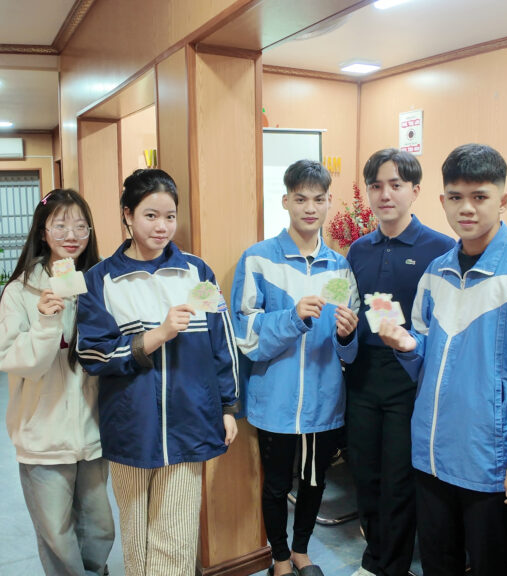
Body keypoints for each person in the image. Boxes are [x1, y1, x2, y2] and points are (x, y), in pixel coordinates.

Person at [379, 143, 507, 576]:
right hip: (431, 453)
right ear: (442, 201)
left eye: (480, 196)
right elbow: (427, 360)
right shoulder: (436, 272)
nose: (467, 208)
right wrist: (407, 347)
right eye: (456, 197)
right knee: (438, 564)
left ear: (503, 200)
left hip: (492, 461)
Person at [76, 169, 239, 576]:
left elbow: (222, 343)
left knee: (177, 539)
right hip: (132, 426)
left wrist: (227, 407)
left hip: (191, 422)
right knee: (137, 538)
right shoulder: (100, 280)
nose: (162, 226)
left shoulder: (197, 273)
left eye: (170, 216)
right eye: (150, 215)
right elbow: (93, 354)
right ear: (127, 215)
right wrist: (156, 336)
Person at [231, 159, 360, 576]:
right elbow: (245, 334)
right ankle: (281, 559)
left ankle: (302, 551)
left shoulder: (340, 266)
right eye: (301, 199)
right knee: (275, 484)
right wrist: (292, 318)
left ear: (328, 203)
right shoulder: (258, 259)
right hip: (276, 399)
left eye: (319, 199)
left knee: (314, 481)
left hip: (324, 399)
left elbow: (350, 351)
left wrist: (347, 335)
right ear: (285, 201)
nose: (310, 208)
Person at [0, 188, 115, 576]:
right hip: (43, 438)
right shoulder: (21, 291)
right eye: (60, 225)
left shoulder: (98, 285)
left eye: (81, 226)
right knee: (58, 536)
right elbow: (13, 360)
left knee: (99, 528)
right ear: (43, 232)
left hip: (92, 433)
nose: (71, 235)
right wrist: (46, 322)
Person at [345, 149, 454, 576]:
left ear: (415, 191)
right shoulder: (358, 250)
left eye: (395, 185)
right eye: (376, 186)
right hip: (362, 375)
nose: (385, 194)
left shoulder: (441, 249)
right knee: (364, 474)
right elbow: (350, 311)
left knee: (398, 479)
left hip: (411, 377)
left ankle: (390, 566)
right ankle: (374, 559)